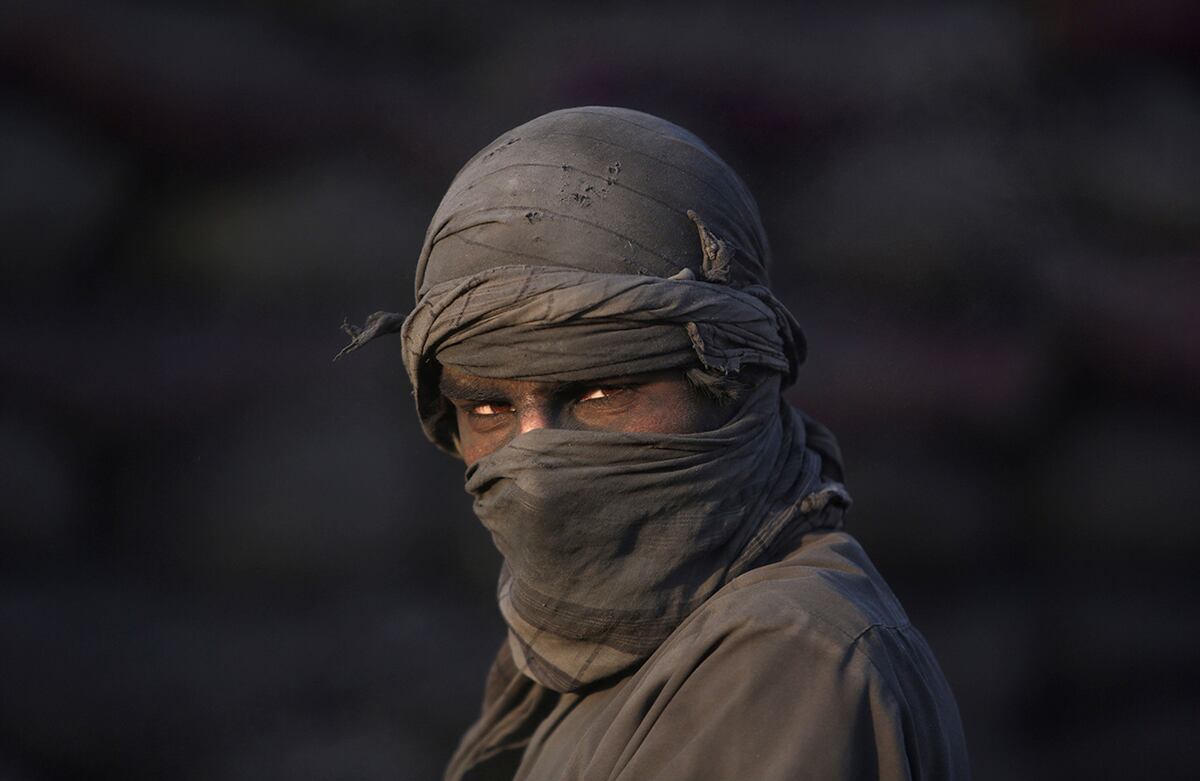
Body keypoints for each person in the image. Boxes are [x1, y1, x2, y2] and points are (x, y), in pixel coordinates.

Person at [339, 106, 970, 780]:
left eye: (598, 395)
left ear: (733, 387)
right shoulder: (583, 666)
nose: (537, 459)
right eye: (490, 407)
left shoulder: (784, 660)